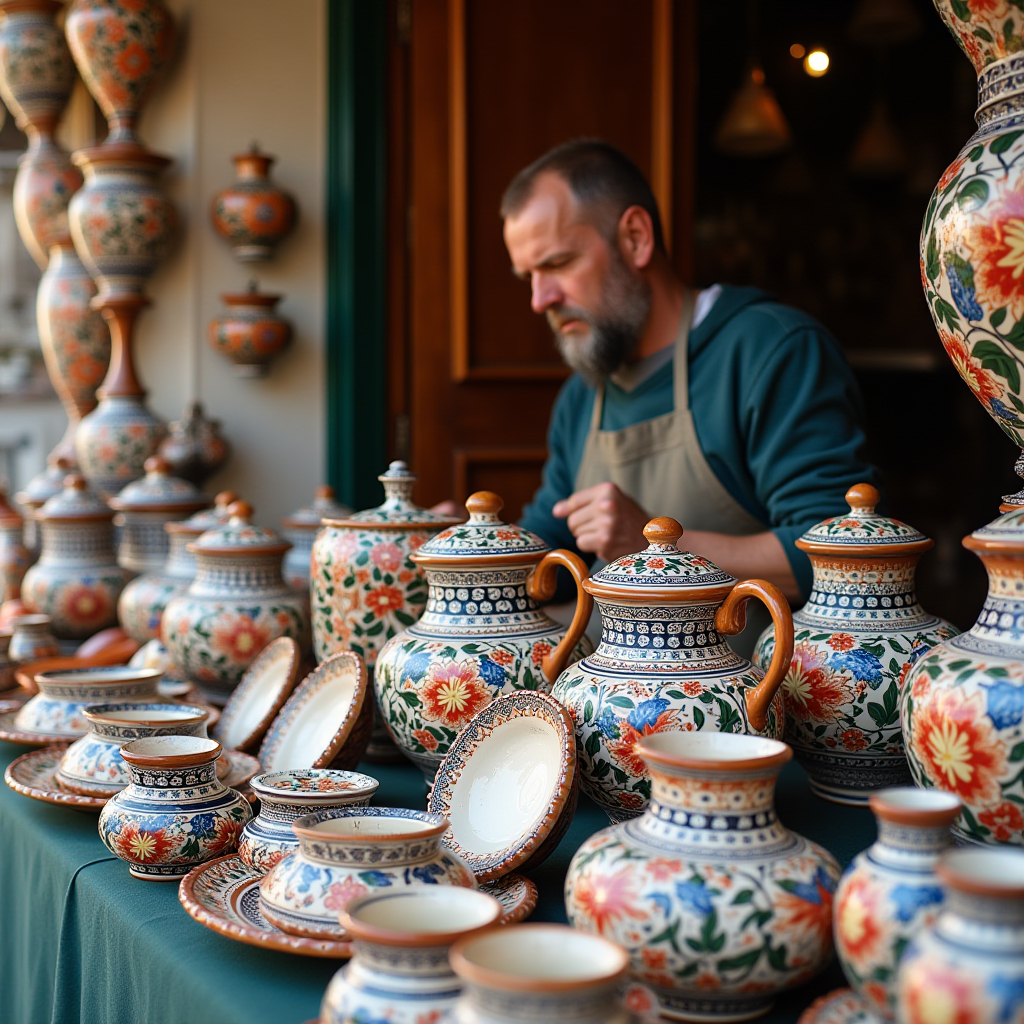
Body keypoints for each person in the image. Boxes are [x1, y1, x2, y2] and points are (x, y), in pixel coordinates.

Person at [501, 139, 877, 611]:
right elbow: (550, 563)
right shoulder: (582, 395)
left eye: (557, 264)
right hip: (603, 682)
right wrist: (465, 552)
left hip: (756, 681)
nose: (540, 300)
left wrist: (655, 550)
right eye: (528, 276)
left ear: (635, 237)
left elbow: (840, 558)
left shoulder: (770, 350)